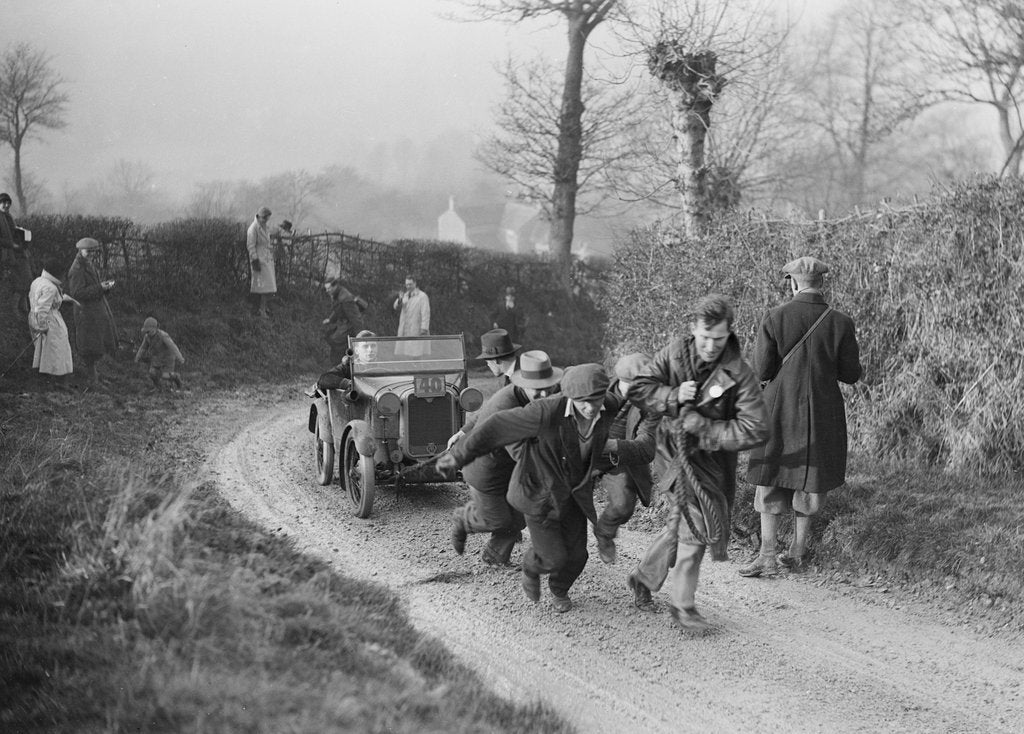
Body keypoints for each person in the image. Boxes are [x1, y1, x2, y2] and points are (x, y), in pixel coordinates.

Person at [438, 363, 651, 613]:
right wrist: (458, 456)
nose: (591, 408)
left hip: (573, 492)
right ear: (568, 394)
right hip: (538, 492)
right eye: (582, 401)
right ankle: (531, 566)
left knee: (578, 556)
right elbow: (496, 426)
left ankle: (559, 589)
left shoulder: (611, 404)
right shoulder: (545, 412)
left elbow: (643, 441)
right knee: (552, 556)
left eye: (596, 399)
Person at [627, 294, 767, 630]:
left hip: (713, 463)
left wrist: (705, 429)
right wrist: (672, 396)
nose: (710, 346)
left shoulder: (740, 374)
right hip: (672, 456)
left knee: (685, 526)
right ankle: (683, 608)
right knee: (696, 530)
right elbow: (639, 388)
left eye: (718, 339)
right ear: (694, 329)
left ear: (729, 333)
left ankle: (644, 577)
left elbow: (756, 429)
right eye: (705, 337)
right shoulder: (674, 353)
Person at [739, 256, 862, 577]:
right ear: (822, 283)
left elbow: (763, 370)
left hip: (779, 410)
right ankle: (797, 551)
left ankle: (767, 555)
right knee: (810, 478)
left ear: (792, 283)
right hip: (823, 411)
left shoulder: (774, 317)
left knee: (771, 475)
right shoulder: (841, 322)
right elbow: (851, 374)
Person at [448, 350, 563, 566]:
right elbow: (521, 452)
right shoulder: (506, 405)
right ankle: (463, 520)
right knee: (497, 519)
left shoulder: (531, 393)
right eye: (537, 391)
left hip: (507, 468)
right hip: (484, 470)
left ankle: (495, 556)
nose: (544, 396)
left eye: (547, 389)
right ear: (522, 384)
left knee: (517, 517)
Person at [593, 353, 660, 565]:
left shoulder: (651, 406)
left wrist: (609, 445)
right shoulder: (595, 390)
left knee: (623, 505)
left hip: (617, 459)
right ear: (619, 380)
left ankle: (604, 533)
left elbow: (646, 448)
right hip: (583, 456)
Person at [68, 237, 118, 388]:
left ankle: (95, 376)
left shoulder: (87, 264)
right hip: (86, 313)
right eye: (88, 251)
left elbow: (93, 287)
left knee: (98, 343)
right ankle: (93, 380)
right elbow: (77, 293)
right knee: (89, 347)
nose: (91, 254)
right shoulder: (76, 269)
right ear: (80, 250)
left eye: (93, 252)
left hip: (95, 310)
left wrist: (104, 288)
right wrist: (100, 288)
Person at [27, 257, 77, 388]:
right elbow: (42, 308)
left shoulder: (38, 281)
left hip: (35, 318)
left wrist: (67, 299)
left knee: (44, 351)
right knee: (59, 350)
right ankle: (59, 381)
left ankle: (48, 380)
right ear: (57, 273)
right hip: (50, 321)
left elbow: (42, 301)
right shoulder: (51, 287)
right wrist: (43, 326)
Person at [322, 277, 368, 365]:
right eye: (326, 288)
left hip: (349, 326)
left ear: (335, 286)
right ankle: (340, 365)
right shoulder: (336, 294)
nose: (327, 291)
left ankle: (341, 365)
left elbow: (355, 318)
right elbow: (338, 309)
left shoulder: (345, 298)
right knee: (331, 337)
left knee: (336, 341)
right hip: (343, 324)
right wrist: (330, 319)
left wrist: (360, 335)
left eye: (329, 288)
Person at [0, 192, 32, 314]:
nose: (6, 205)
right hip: (6, 255)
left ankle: (24, 309)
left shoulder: (9, 217)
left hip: (18, 252)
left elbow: (13, 233)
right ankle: (16, 311)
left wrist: (22, 236)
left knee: (27, 280)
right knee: (18, 283)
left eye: (8, 203)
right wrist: (10, 244)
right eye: (3, 202)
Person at [134, 316, 185, 390]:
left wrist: (180, 357)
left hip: (167, 358)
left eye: (149, 331)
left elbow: (173, 346)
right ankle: (157, 387)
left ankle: (176, 377)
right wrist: (137, 357)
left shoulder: (163, 336)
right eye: (146, 331)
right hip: (157, 358)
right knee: (152, 373)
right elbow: (143, 348)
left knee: (165, 375)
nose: (147, 333)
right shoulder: (147, 337)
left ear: (155, 328)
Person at [247, 206, 276, 318]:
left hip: (267, 258)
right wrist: (254, 260)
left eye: (267, 219)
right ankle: (261, 310)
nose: (265, 221)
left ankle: (263, 308)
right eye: (264, 219)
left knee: (269, 286)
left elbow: (267, 241)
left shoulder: (265, 227)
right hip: (259, 259)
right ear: (259, 217)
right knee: (264, 286)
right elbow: (250, 245)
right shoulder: (253, 229)